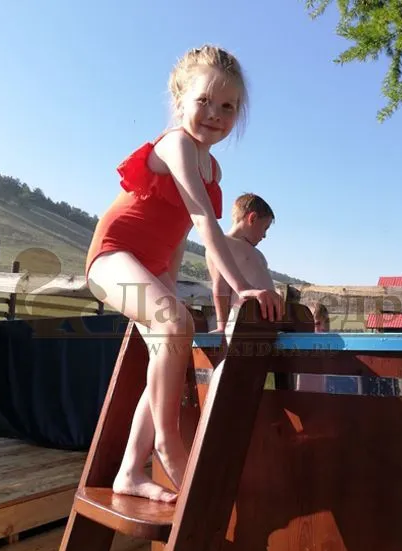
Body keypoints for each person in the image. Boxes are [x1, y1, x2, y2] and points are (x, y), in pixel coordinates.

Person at [85, 45, 283, 503]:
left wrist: (168, 286)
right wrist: (243, 287)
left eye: (228, 106)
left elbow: (177, 235)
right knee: (176, 324)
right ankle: (168, 445)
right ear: (179, 101)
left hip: (148, 269)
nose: (215, 114)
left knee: (167, 351)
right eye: (204, 101)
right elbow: (202, 220)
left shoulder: (213, 168)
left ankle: (130, 473)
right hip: (111, 257)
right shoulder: (175, 144)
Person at [206, 192, 275, 332]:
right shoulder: (222, 244)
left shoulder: (259, 255)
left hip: (266, 322)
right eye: (265, 228)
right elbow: (220, 287)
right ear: (252, 218)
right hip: (241, 322)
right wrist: (223, 326)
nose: (264, 236)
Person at [296, 302, 330, 392]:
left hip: (320, 395)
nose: (323, 327)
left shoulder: (327, 347)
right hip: (302, 395)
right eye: (317, 323)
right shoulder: (301, 347)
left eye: (326, 322)